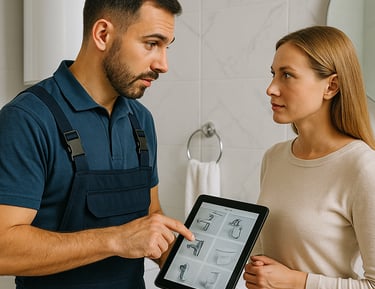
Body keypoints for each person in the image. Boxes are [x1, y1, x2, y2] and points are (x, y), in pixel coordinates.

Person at [0, 1, 195, 288]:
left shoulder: (140, 120)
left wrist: (191, 262)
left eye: (167, 47)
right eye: (152, 44)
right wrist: (116, 239)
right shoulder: (28, 119)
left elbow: (150, 214)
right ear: (103, 34)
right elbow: (3, 248)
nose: (162, 64)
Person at [243, 26, 375, 289]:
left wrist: (296, 282)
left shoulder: (362, 166)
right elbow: (265, 257)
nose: (271, 89)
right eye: (273, 74)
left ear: (331, 86)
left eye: (287, 75)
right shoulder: (275, 158)